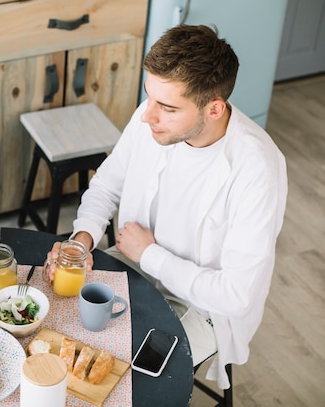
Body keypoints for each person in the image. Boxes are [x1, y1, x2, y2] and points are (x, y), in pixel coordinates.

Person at [45, 24, 287, 389]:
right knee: (56, 332)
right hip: (132, 262)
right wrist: (81, 242)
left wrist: (150, 254)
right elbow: (107, 184)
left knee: (126, 383)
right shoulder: (154, 117)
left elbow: (236, 296)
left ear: (215, 108)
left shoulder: (257, 170)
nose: (147, 116)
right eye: (150, 97)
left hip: (204, 309)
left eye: (168, 107)